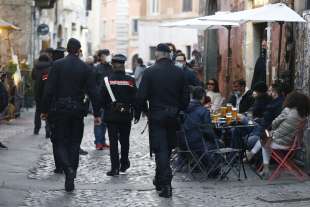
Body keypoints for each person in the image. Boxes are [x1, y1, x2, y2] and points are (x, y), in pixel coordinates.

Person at [41, 38, 101, 192]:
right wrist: (97, 113)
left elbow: (48, 90)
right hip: (77, 110)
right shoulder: (85, 68)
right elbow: (94, 92)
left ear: (67, 49)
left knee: (59, 141)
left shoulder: (57, 65)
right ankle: (71, 174)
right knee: (74, 143)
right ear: (79, 50)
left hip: (60, 109)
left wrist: (44, 110)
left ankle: (67, 168)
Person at [137, 43, 190, 198]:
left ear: (157, 54)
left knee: (161, 150)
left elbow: (141, 97)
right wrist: (178, 109)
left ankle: (166, 184)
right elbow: (185, 98)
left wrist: (145, 112)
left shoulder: (150, 72)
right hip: (173, 117)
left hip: (157, 116)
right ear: (169, 55)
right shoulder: (179, 73)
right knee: (167, 150)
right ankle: (160, 179)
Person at [247, 91, 310, 178]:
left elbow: (274, 124)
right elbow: (300, 133)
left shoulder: (287, 111)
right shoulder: (303, 117)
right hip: (291, 144)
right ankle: (253, 156)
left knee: (264, 141)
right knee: (266, 139)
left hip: (279, 143)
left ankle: (256, 159)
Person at [100, 54, 140, 176]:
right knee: (125, 140)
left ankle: (115, 168)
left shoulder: (106, 80)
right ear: (123, 65)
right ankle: (124, 163)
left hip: (111, 115)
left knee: (113, 142)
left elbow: (101, 98)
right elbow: (136, 98)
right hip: (125, 115)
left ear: (113, 65)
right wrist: (137, 113)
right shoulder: (130, 80)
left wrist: (103, 109)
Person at [181, 87, 218, 170]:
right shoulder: (203, 111)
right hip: (197, 143)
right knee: (218, 144)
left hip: (183, 142)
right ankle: (213, 169)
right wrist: (216, 138)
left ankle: (198, 164)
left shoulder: (184, 109)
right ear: (203, 97)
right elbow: (208, 131)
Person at [93, 49, 112, 150]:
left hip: (109, 98)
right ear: (100, 57)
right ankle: (98, 142)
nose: (106, 57)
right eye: (104, 55)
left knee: (106, 121)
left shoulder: (111, 67)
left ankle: (103, 141)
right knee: (99, 121)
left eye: (107, 55)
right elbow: (93, 83)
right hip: (99, 98)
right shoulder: (96, 68)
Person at [33, 54, 52, 136]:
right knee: (47, 111)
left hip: (37, 92)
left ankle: (36, 129)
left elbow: (33, 77)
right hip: (46, 92)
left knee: (38, 111)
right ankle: (48, 130)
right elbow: (46, 79)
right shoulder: (49, 68)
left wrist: (38, 79)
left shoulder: (36, 67)